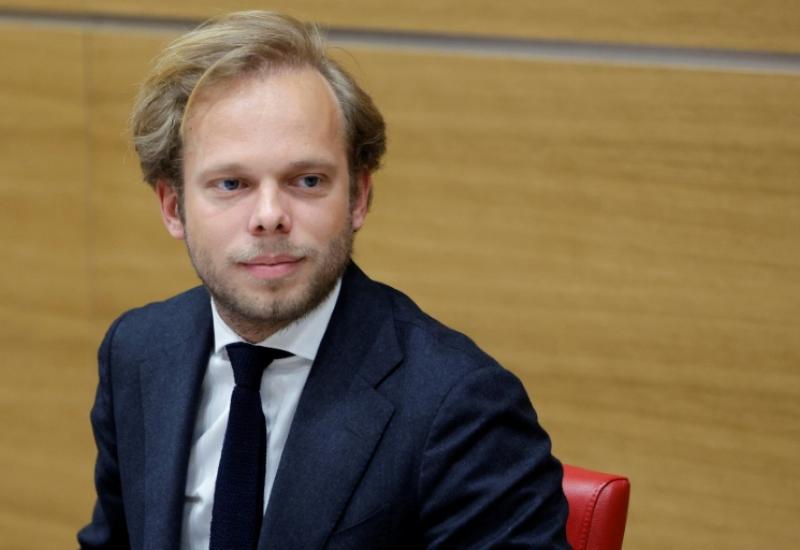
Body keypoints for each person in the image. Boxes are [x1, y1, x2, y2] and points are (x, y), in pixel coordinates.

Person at [78, 10, 569, 550]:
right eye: (231, 183)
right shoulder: (139, 351)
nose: (269, 215)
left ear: (358, 197)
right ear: (174, 207)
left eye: (307, 180)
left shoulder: (460, 406)